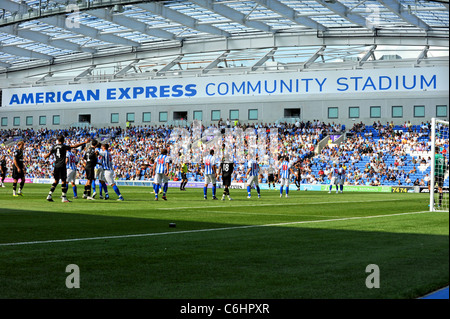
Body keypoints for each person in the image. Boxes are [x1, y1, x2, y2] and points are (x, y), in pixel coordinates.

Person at [44, 135, 87, 202]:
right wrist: (84, 142)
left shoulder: (54, 147)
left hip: (56, 165)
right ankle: (64, 198)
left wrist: (45, 156)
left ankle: (49, 195)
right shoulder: (64, 146)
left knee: (56, 181)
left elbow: (47, 155)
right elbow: (74, 146)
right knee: (64, 181)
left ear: (58, 140)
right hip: (62, 165)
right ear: (63, 140)